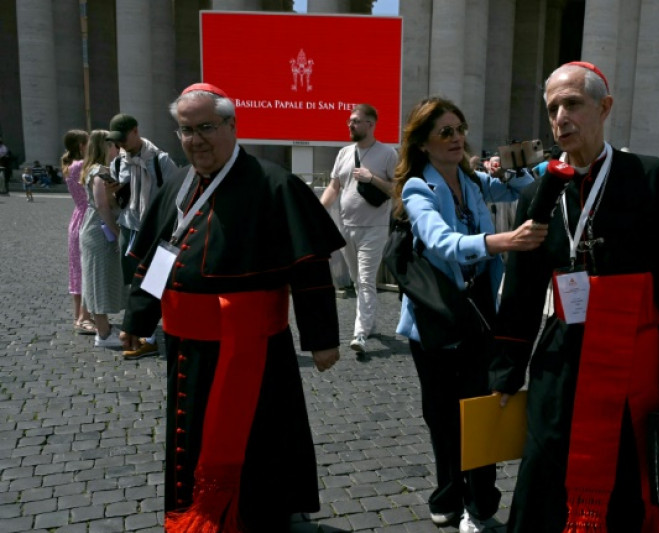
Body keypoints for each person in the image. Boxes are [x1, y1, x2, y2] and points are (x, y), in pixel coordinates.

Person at [119, 83, 344, 531]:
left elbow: (309, 268)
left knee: (260, 434)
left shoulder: (274, 183)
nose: (195, 139)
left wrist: (321, 340)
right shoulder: (179, 184)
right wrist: (139, 316)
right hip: (186, 346)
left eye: (206, 127)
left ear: (232, 126)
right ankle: (197, 507)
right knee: (192, 431)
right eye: (186, 130)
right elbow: (161, 255)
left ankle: (261, 515)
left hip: (253, 347)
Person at [490, 61, 659, 533]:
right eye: (551, 109)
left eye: (572, 104)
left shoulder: (649, 177)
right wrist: (506, 369)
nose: (560, 117)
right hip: (561, 353)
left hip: (632, 354)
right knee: (546, 460)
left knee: (626, 465)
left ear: (603, 108)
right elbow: (522, 288)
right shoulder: (539, 192)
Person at [392, 96, 543, 533]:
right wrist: (500, 242)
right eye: (445, 132)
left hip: (480, 316)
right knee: (442, 417)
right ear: (422, 143)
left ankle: (479, 504)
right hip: (438, 319)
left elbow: (525, 186)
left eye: (460, 129)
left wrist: (516, 165)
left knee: (482, 410)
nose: (457, 138)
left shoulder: (472, 180)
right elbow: (440, 242)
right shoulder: (418, 188)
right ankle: (448, 495)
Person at [319, 104, 398, 354]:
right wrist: (317, 211)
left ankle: (360, 334)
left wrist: (371, 177)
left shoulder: (387, 153)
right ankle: (371, 323)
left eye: (355, 121)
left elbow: (397, 190)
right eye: (349, 121)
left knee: (365, 280)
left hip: (374, 227)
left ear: (371, 124)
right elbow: (334, 187)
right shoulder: (343, 153)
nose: (350, 125)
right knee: (356, 280)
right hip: (346, 227)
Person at [106, 113, 178, 359]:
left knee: (154, 283)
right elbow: (119, 203)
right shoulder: (118, 162)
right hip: (129, 228)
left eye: (123, 138)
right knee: (134, 282)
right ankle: (141, 331)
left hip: (155, 232)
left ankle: (149, 340)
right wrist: (114, 194)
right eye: (116, 141)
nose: (120, 145)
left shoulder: (160, 160)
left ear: (135, 131)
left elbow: (178, 196)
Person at [79, 131, 126, 347]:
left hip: (97, 228)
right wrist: (116, 231)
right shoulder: (98, 172)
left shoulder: (100, 170)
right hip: (98, 230)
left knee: (100, 277)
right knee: (97, 278)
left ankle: (104, 326)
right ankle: (104, 334)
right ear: (105, 146)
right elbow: (101, 205)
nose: (118, 148)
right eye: (114, 144)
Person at [62, 129, 96, 335]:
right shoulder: (82, 166)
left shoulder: (69, 166)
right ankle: (85, 316)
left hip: (76, 218)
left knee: (77, 269)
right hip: (87, 218)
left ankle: (78, 316)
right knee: (86, 269)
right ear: (82, 146)